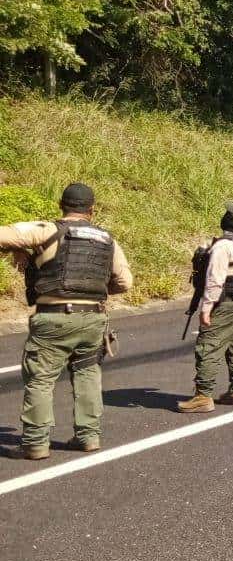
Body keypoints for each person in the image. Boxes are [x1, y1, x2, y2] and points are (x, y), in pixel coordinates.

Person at [0, 183, 132, 459]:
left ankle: (36, 443)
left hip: (53, 316)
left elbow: (5, 235)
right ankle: (88, 437)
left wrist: (23, 251)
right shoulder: (108, 239)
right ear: (92, 210)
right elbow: (124, 282)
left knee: (41, 378)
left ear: (61, 205)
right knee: (87, 374)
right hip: (94, 317)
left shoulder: (48, 230)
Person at [178, 202, 233, 414]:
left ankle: (203, 396)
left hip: (223, 303)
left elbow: (215, 280)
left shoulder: (223, 246)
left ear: (231, 221)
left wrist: (206, 307)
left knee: (209, 345)